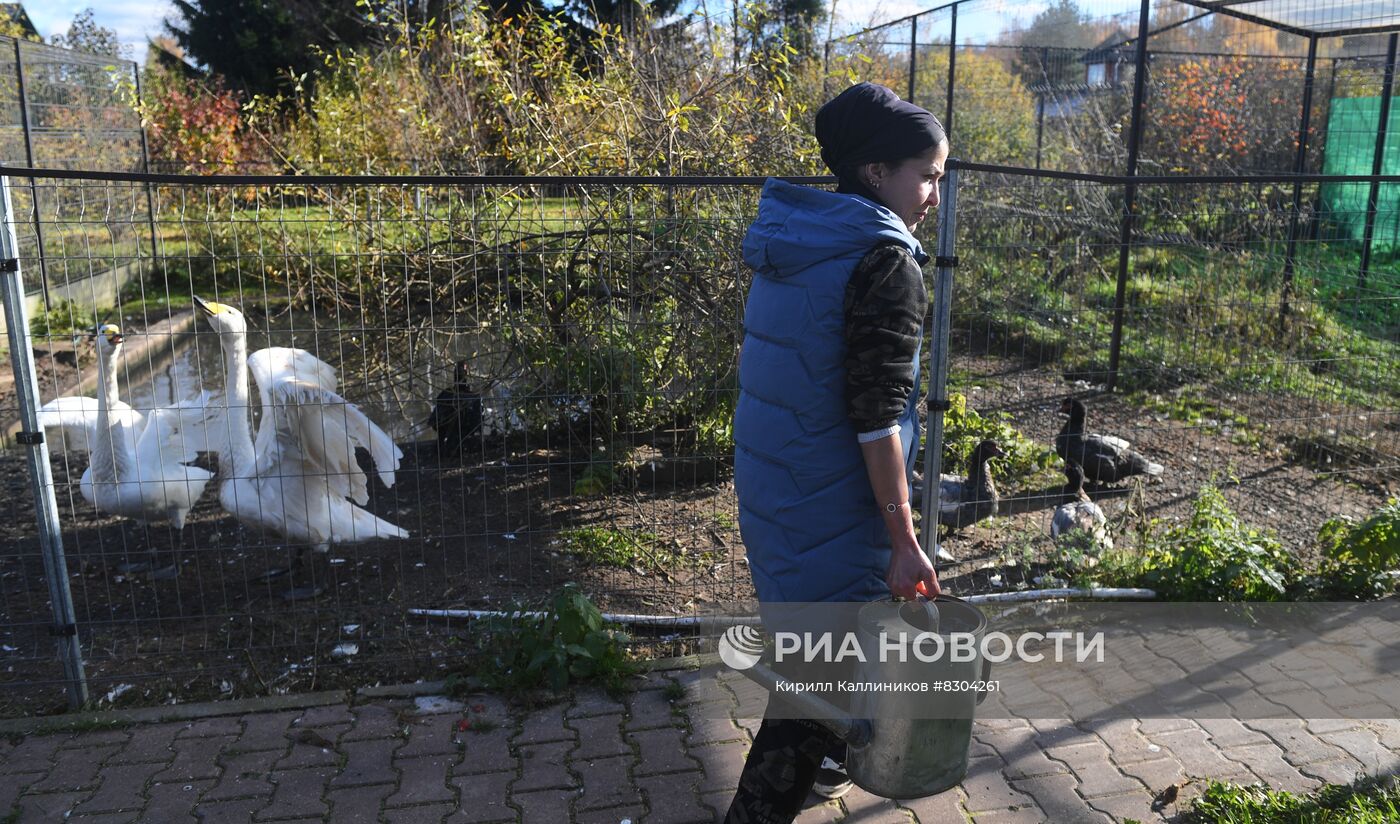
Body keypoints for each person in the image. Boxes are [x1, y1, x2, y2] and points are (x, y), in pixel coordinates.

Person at [725, 82, 949, 822]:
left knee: (818, 662)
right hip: (828, 500)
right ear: (874, 173)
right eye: (927, 175)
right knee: (822, 680)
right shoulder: (885, 263)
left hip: (778, 488)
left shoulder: (800, 235)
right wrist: (904, 539)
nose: (934, 196)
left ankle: (825, 767)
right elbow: (876, 419)